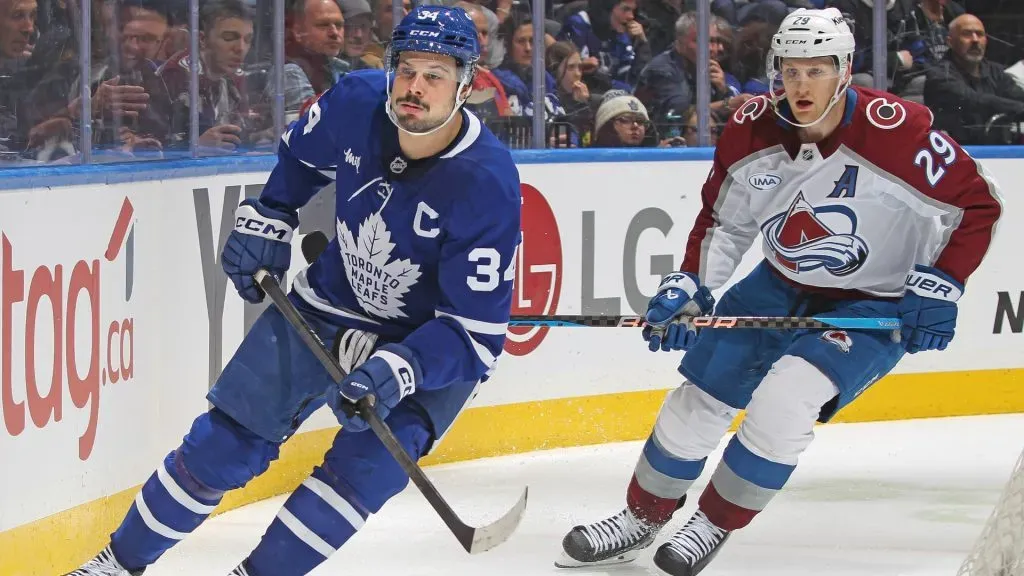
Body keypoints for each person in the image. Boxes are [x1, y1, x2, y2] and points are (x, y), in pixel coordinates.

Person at [66, 5, 521, 576]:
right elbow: (301, 157)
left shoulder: (488, 182)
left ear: (464, 85)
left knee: (363, 471)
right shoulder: (356, 100)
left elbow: (474, 337)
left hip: (421, 341)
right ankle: (114, 564)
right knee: (224, 442)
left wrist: (401, 367)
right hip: (331, 300)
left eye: (434, 75)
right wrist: (273, 213)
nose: (415, 88)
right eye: (406, 69)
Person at [556, 7, 1002, 576]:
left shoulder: (898, 131)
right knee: (700, 396)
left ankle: (714, 523)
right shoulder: (750, 127)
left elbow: (978, 205)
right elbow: (726, 222)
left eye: (816, 70)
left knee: (786, 400)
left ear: (843, 70)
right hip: (779, 281)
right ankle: (642, 516)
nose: (800, 85)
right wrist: (691, 284)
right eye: (790, 70)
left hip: (875, 300)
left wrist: (940, 285)